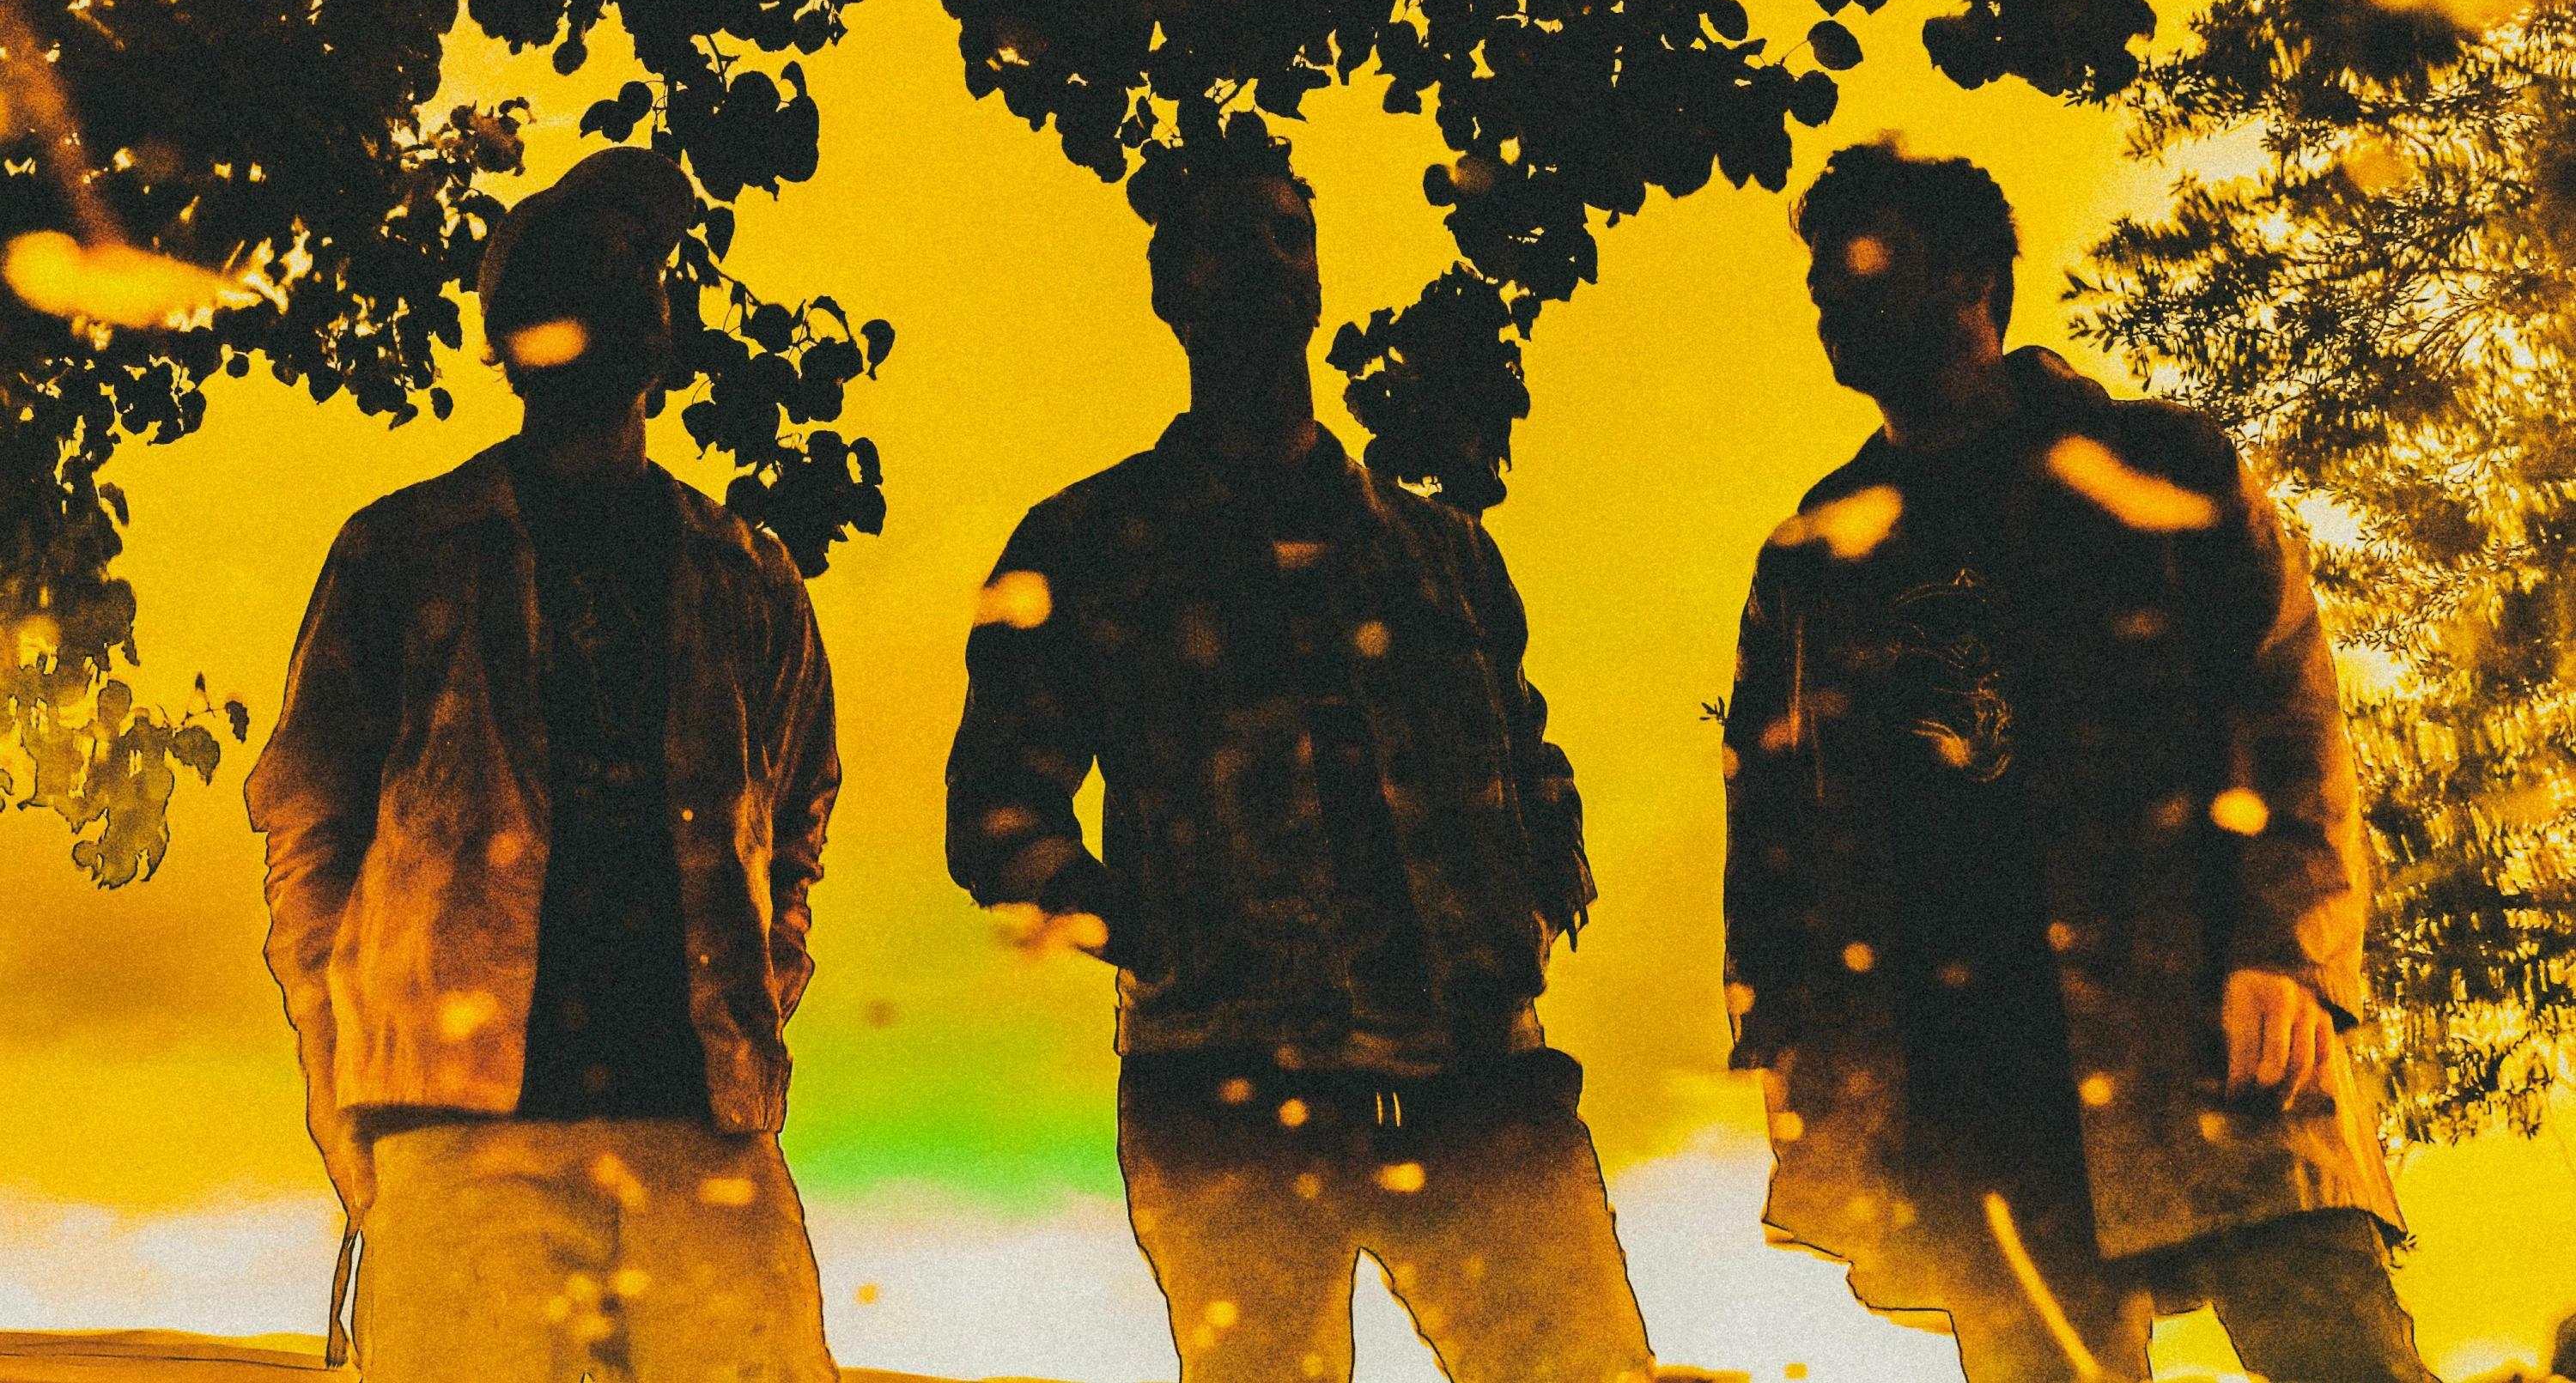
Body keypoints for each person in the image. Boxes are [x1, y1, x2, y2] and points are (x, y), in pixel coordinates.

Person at [945, 121, 1655, 1383]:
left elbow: (1531, 754)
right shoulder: (1090, 544)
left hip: (1479, 1074)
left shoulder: (1443, 552)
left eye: (1291, 238)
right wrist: (1152, 933)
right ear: (1169, 289)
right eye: (1229, 244)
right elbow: (995, 807)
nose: (1267, 266)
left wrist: (1542, 895)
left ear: (1319, 277)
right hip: (1227, 1094)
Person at [1722, 139, 2435, 1383]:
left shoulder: (2162, 468)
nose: (1831, 296)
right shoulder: (1814, 552)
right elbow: (1772, 809)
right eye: (1820, 277)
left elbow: (2290, 707)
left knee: (2339, 1355)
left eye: (1865, 262)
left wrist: (2289, 951)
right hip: (1968, 1070)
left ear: (1974, 281)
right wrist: (1786, 1034)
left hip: (2198, 1010)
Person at [246, 148, 841, 1383]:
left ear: (663, 332)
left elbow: (799, 817)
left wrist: (753, 997)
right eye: (582, 273)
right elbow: (310, 823)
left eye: (639, 275)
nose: (620, 298)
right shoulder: (403, 553)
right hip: (458, 1129)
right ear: (511, 334)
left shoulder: (747, 574)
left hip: (703, 1131)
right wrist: (341, 1073)